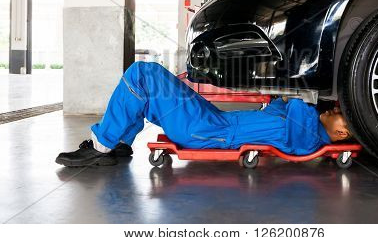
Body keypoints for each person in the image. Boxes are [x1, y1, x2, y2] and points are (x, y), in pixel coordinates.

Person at [55, 62, 352, 167]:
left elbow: (297, 99)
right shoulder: (306, 124)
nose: (337, 109)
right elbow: (281, 104)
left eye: (343, 117)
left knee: (143, 73)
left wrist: (301, 92)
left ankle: (101, 146)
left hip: (208, 129)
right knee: (148, 91)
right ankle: (118, 142)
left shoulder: (311, 137)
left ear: (340, 134)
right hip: (214, 120)